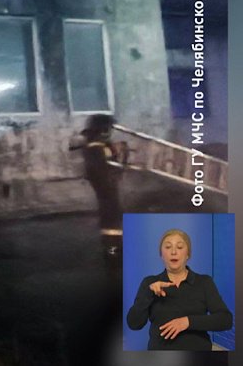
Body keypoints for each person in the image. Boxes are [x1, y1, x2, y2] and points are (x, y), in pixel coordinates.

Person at [126, 229, 232, 350]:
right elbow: (134, 324)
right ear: (161, 254)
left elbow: (225, 320)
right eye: (168, 247)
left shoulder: (204, 282)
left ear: (188, 254)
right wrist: (148, 294)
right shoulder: (149, 283)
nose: (174, 252)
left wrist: (188, 322)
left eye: (180, 247)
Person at [69, 114, 125, 260]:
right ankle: (112, 248)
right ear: (102, 129)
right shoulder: (95, 147)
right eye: (108, 128)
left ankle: (115, 245)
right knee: (110, 214)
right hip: (105, 185)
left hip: (107, 184)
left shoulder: (99, 145)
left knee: (112, 213)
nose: (110, 132)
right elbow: (100, 168)